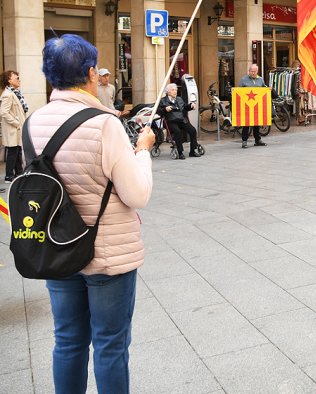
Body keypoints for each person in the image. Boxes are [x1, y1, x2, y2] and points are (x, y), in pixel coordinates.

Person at [30, 34, 155, 394]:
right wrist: (142, 151)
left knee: (67, 340)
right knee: (110, 345)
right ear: (89, 73)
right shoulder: (103, 124)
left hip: (58, 248)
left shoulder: (33, 122)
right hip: (107, 254)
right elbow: (137, 193)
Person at [157, 83, 200, 159]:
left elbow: (185, 107)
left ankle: (192, 151)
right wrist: (165, 109)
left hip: (182, 120)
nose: (175, 91)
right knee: (178, 132)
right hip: (171, 121)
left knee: (192, 130)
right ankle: (180, 152)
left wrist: (191, 106)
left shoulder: (179, 99)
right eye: (173, 90)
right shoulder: (163, 101)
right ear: (168, 92)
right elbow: (158, 111)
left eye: (176, 90)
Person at [0, 70, 28, 182]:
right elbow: (3, 112)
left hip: (16, 128)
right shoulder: (8, 94)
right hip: (13, 129)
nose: (19, 80)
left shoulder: (15, 93)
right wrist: (16, 123)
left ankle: (19, 173)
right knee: (13, 151)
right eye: (16, 78)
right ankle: (9, 176)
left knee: (17, 150)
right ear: (9, 81)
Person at [239, 64, 268, 148]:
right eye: (251, 71)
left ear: (257, 71)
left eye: (254, 71)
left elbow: (264, 89)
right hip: (246, 105)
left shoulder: (261, 79)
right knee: (246, 123)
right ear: (249, 71)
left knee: (257, 123)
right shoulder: (243, 79)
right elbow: (239, 91)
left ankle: (257, 140)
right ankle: (244, 141)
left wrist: (267, 89)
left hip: (257, 105)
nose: (253, 73)